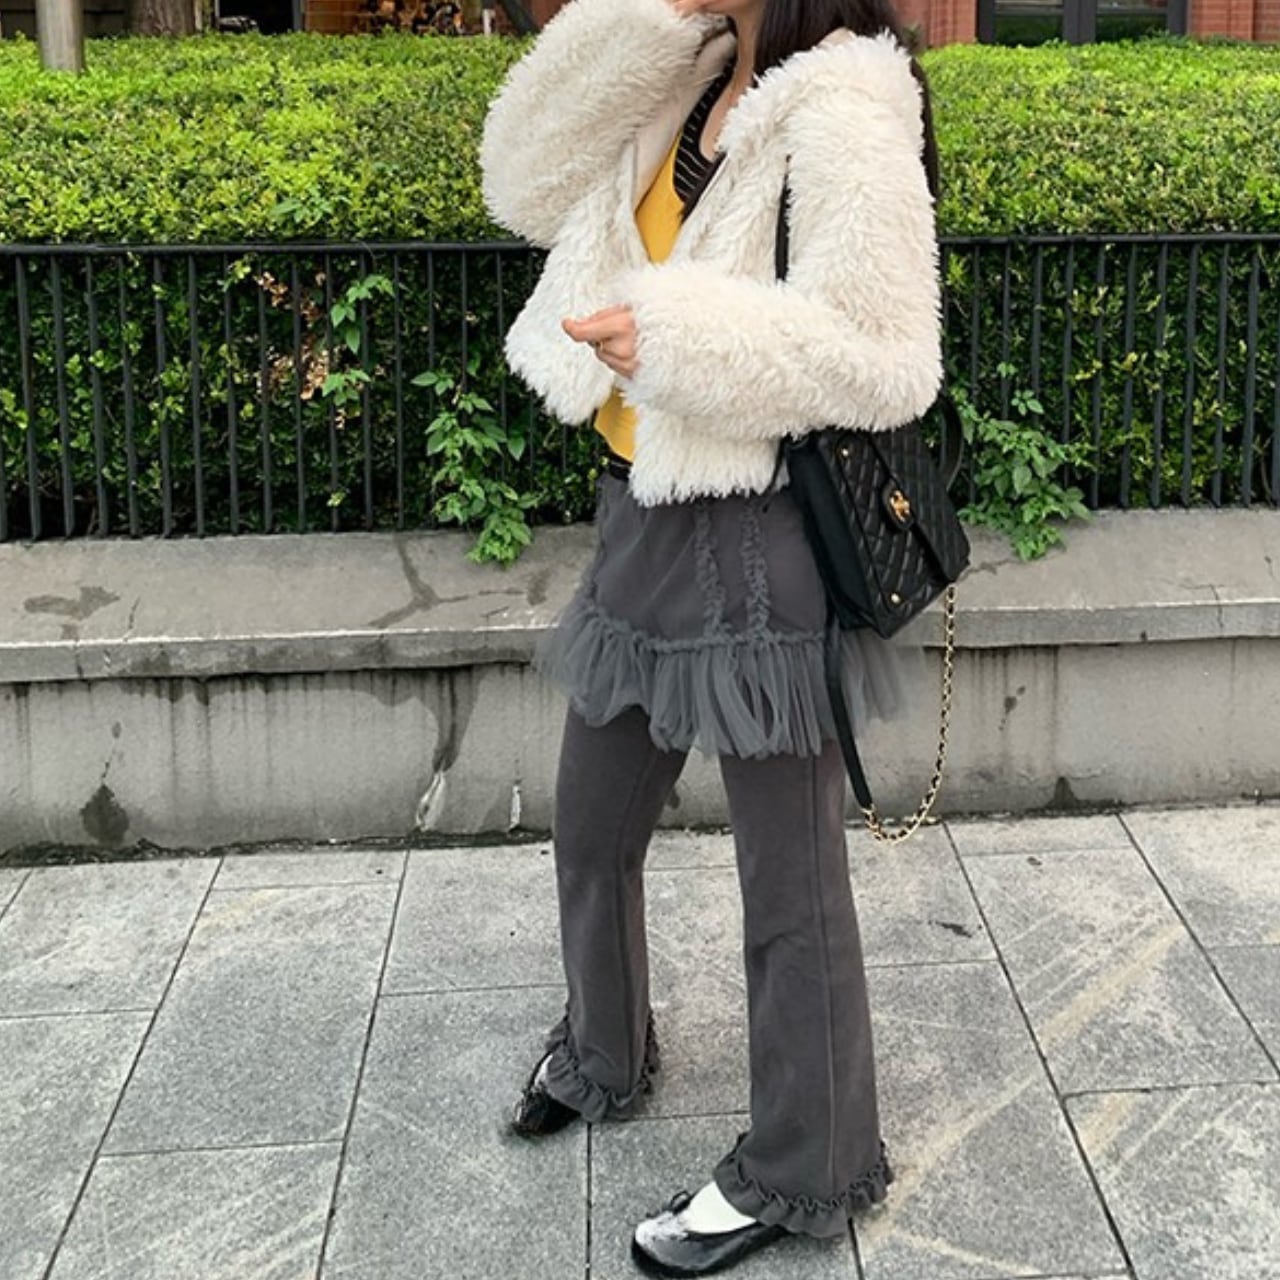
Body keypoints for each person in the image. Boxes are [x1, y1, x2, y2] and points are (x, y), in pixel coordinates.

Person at [480, 0, 943, 1273]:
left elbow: (890, 356)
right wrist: (632, 22)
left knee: (787, 881)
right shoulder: (684, 73)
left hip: (756, 538)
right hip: (639, 513)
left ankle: (807, 1162)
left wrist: (676, 339)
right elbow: (520, 180)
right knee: (590, 822)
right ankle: (603, 1049)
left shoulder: (843, 103)